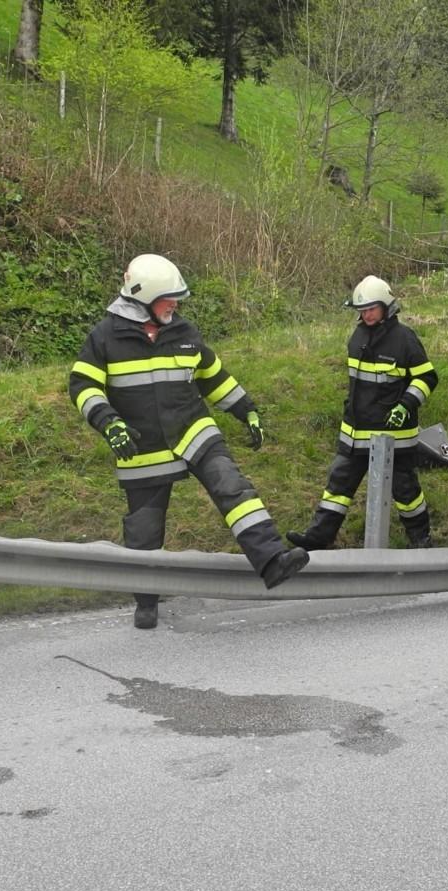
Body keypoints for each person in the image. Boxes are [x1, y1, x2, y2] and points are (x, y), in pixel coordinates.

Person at [69, 254, 308, 630]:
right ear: (144, 298)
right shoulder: (104, 338)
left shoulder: (184, 332)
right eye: (169, 299)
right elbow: (83, 385)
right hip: (142, 446)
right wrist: (109, 423)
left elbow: (213, 376)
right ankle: (146, 601)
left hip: (194, 431)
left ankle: (272, 561)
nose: (176, 305)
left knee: (233, 488)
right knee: (145, 529)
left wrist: (246, 409)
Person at [286, 275, 438, 552]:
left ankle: (421, 540)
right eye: (362, 310)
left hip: (392, 436)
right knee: (338, 486)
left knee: (406, 492)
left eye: (371, 309)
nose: (366, 315)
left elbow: (427, 378)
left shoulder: (405, 339)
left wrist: (406, 405)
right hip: (355, 432)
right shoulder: (358, 337)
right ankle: (319, 538)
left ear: (387, 306)